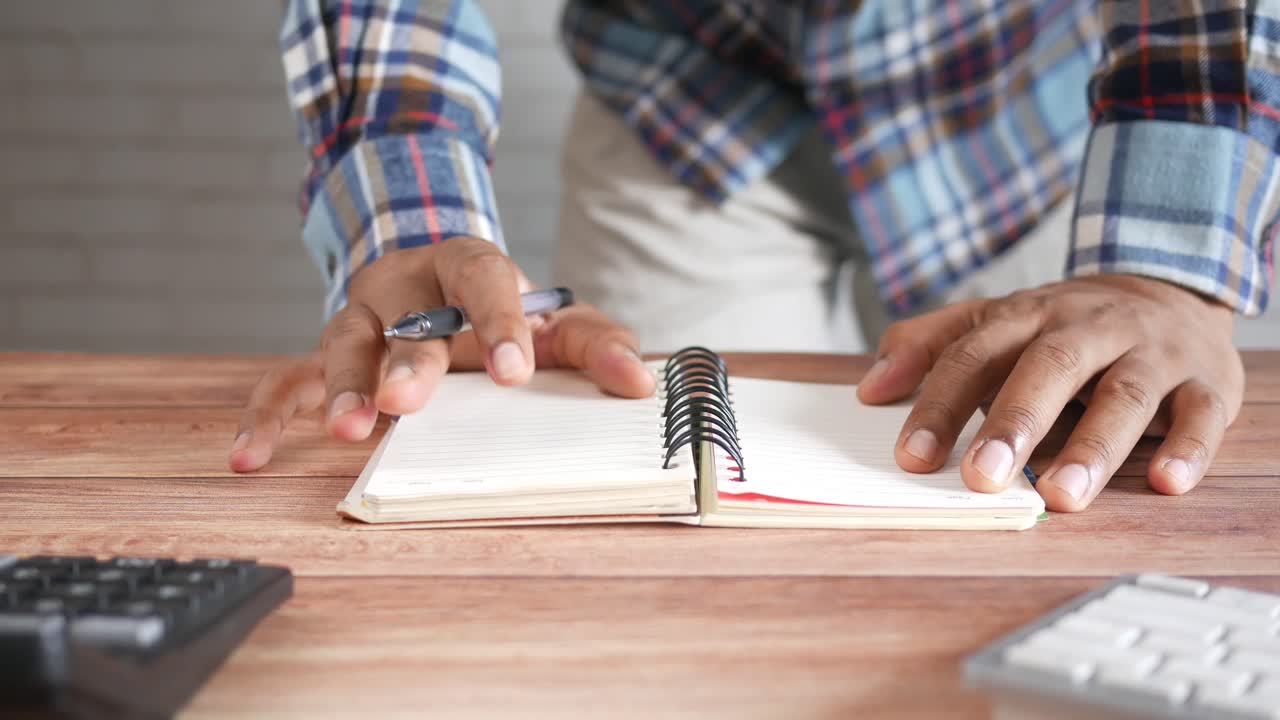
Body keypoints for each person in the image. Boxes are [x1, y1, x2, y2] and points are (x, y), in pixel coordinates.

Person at [232, 0, 1274, 515]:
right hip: (688, 96)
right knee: (652, 490)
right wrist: (411, 216)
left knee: (1033, 487)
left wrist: (1160, 258)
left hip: (1013, 106)